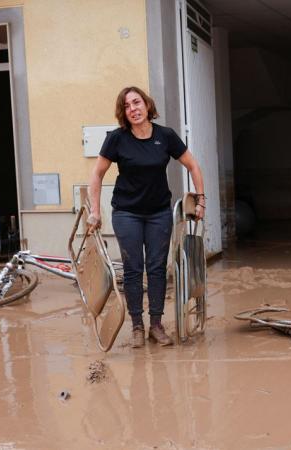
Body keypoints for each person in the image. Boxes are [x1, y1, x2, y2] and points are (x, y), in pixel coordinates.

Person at [87, 86, 205, 348]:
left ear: (147, 105)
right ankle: (137, 326)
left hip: (159, 213)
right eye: (127, 106)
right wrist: (95, 211)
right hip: (127, 212)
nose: (133, 109)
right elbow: (96, 174)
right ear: (124, 113)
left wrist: (201, 199)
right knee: (133, 269)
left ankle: (156, 325)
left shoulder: (166, 136)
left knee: (156, 268)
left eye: (137, 103)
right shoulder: (117, 139)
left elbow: (193, 165)